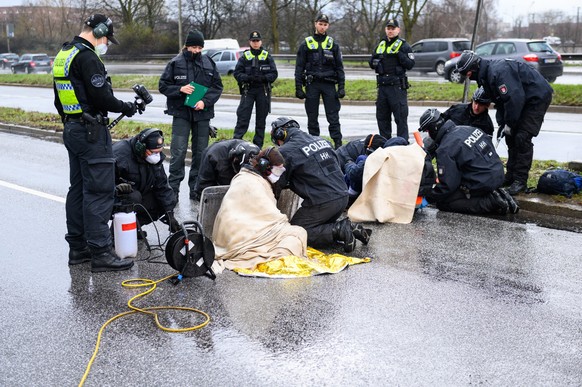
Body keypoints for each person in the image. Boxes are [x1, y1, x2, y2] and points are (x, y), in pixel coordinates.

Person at [53, 14, 138, 272]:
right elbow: (103, 98)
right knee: (99, 192)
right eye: (106, 39)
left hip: (73, 128)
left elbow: (59, 99)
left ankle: (78, 248)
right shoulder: (88, 57)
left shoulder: (64, 54)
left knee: (78, 189)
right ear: (99, 31)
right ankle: (101, 252)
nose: (106, 44)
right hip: (91, 133)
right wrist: (127, 107)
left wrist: (73, 121)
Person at [455, 50, 553, 195]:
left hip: (535, 98)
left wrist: (511, 123)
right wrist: (503, 124)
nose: (468, 76)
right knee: (509, 136)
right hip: (521, 100)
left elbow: (514, 99)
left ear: (474, 67)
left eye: (468, 73)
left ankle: (520, 180)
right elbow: (500, 102)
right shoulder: (485, 77)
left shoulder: (498, 72)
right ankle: (511, 175)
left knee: (522, 137)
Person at [270, 117, 371, 253]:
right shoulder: (322, 141)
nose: (278, 145)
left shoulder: (286, 151)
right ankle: (350, 228)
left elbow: (275, 183)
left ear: (281, 134)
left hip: (323, 201)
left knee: (296, 232)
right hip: (342, 195)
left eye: (277, 141)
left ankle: (340, 229)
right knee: (316, 225)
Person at [212, 147, 308, 270]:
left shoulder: (246, 177)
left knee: (294, 235)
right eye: (277, 169)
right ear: (264, 165)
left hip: (232, 237)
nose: (279, 173)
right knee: (298, 233)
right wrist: (283, 224)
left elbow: (261, 214)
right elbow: (271, 217)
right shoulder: (251, 182)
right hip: (243, 239)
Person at [159, 29, 223, 201]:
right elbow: (163, 86)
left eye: (199, 47)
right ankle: (173, 190)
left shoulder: (209, 63)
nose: (196, 50)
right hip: (181, 113)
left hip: (202, 114)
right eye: (193, 47)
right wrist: (179, 89)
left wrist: (205, 102)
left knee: (201, 153)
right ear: (186, 46)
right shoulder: (175, 62)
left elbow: (217, 87)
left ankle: (196, 189)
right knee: (178, 151)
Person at [418, 108, 519, 215]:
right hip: (497, 173)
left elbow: (447, 186)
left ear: (434, 128)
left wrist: (428, 198)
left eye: (428, 131)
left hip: (482, 182)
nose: (428, 135)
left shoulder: (445, 148)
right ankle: (497, 193)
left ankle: (492, 202)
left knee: (444, 203)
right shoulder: (468, 129)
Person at [112, 128, 180, 235]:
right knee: (134, 197)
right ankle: (117, 233)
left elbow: (162, 186)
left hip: (136, 194)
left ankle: (133, 227)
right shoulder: (119, 155)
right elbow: (100, 183)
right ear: (140, 148)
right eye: (153, 152)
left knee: (165, 201)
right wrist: (116, 188)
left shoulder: (155, 159)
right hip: (114, 198)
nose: (156, 156)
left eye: (159, 152)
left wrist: (170, 214)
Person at [294, 14, 346, 149]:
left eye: (325, 24)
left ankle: (338, 144)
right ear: (315, 24)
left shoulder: (333, 44)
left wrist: (341, 87)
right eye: (320, 24)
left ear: (328, 26)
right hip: (312, 84)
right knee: (312, 116)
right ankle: (314, 143)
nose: (322, 27)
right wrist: (298, 87)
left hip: (329, 84)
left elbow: (339, 67)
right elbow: (299, 67)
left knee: (333, 116)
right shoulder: (306, 44)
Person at [369, 18, 415, 141]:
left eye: (393, 28)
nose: (390, 31)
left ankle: (402, 145)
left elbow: (410, 64)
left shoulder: (404, 45)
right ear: (385, 29)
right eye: (388, 28)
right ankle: (386, 146)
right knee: (382, 118)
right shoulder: (381, 45)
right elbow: (371, 62)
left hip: (397, 87)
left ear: (398, 30)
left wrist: (399, 54)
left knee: (400, 118)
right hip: (383, 87)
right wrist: (376, 62)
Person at [233, 31, 278, 148]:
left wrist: (263, 78)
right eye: (253, 41)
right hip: (249, 90)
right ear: (250, 42)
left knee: (261, 121)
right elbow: (237, 73)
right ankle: (235, 144)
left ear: (261, 41)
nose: (255, 43)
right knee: (243, 118)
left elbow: (274, 74)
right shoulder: (245, 57)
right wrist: (247, 78)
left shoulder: (267, 56)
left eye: (257, 41)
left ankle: (257, 147)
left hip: (262, 90)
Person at [193, 139, 260, 200]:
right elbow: (203, 188)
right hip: (217, 180)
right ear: (234, 159)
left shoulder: (257, 158)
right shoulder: (214, 156)